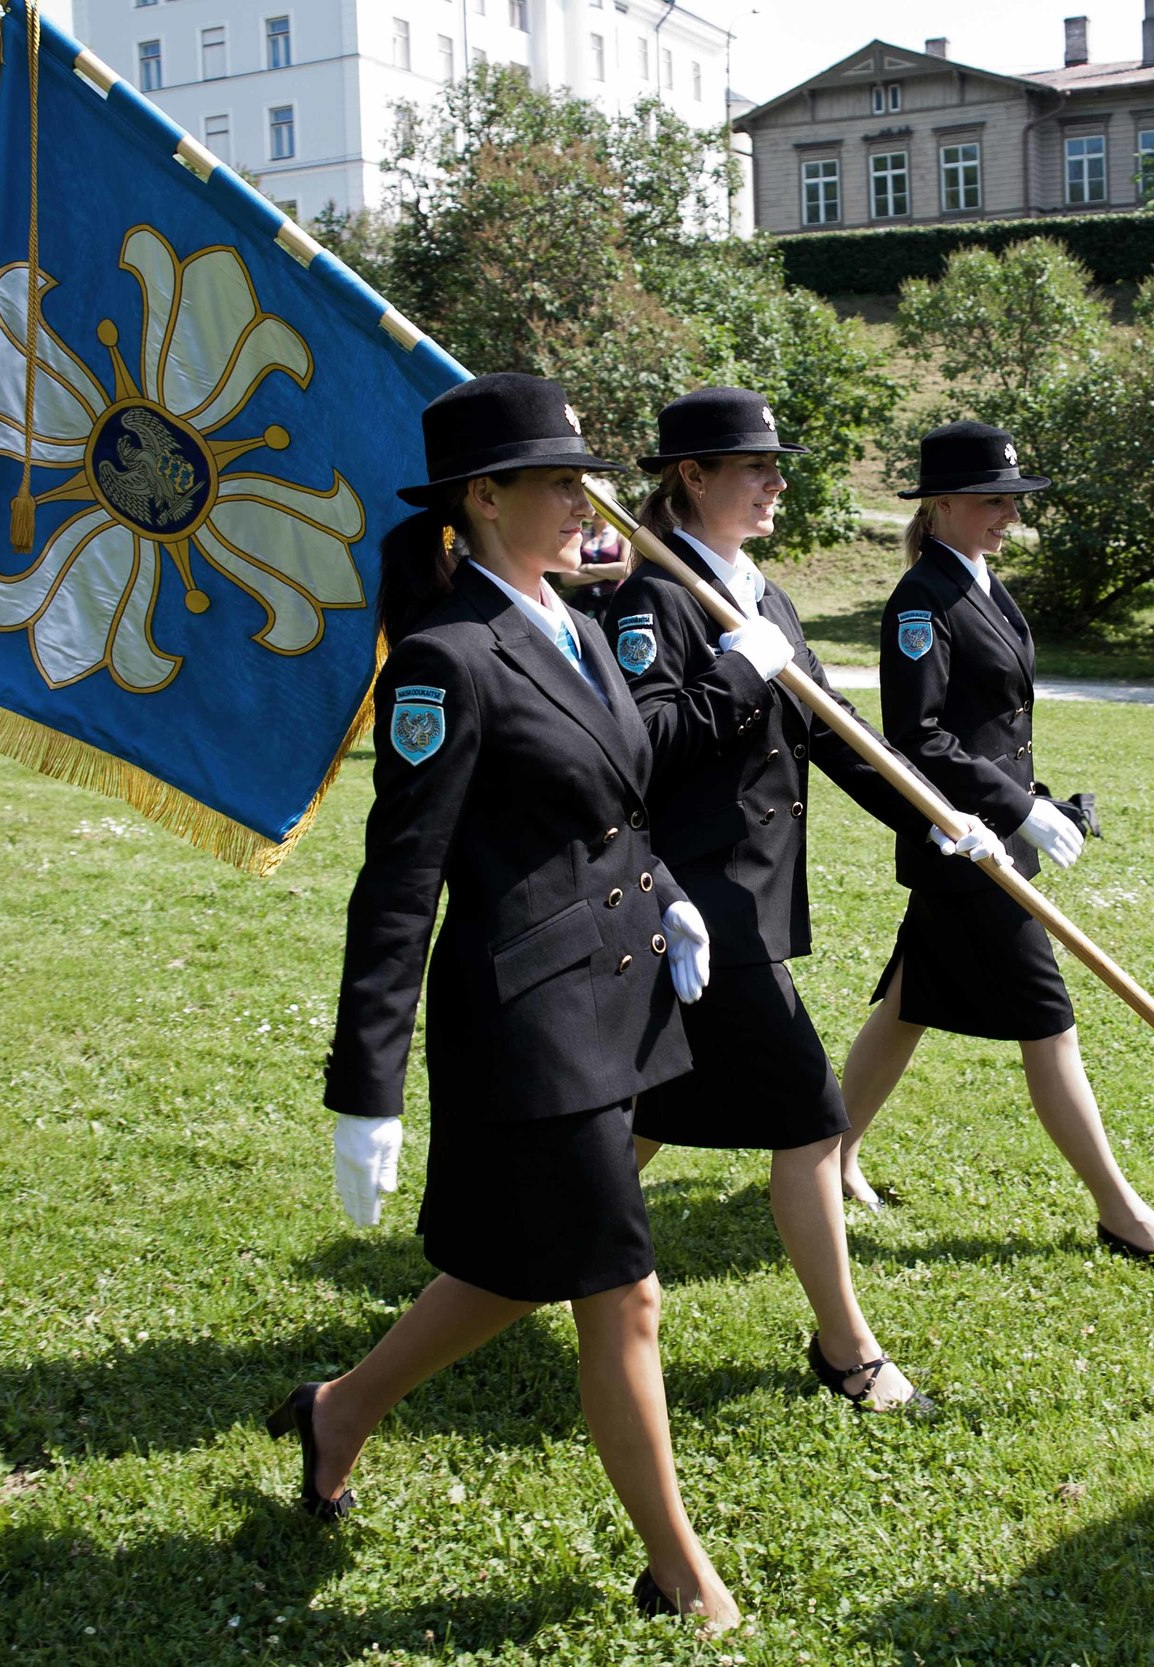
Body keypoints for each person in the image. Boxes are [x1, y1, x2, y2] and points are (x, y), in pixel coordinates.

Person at [278, 373, 746, 1627]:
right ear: (483, 499)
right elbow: (398, 881)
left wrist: (667, 892)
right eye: (555, 481)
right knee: (623, 1285)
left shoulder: (578, 622)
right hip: (527, 1019)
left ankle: (343, 1405)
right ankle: (679, 1570)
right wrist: (364, 1089)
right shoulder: (442, 659)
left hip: (618, 988)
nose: (581, 500)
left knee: (522, 1262)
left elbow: (616, 796)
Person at [602, 387, 966, 1410]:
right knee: (811, 1120)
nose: (775, 482)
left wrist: (934, 810)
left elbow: (833, 729)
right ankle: (847, 1350)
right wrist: (731, 671)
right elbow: (641, 750)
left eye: (776, 465)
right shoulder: (655, 598)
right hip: (690, 904)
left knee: (644, 1113)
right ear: (692, 478)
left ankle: (513, 1253)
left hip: (746, 902)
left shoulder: (757, 591)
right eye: (752, 467)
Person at [836, 421, 1154, 1269]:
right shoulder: (920, 598)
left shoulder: (979, 580)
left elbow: (992, 721)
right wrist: (1013, 811)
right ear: (941, 503)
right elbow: (921, 737)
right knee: (1050, 1022)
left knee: (906, 1004)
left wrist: (1034, 803)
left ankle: (832, 1154)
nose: (1007, 513)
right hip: (970, 849)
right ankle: (1123, 1213)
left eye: (1013, 499)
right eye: (990, 499)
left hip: (990, 838)